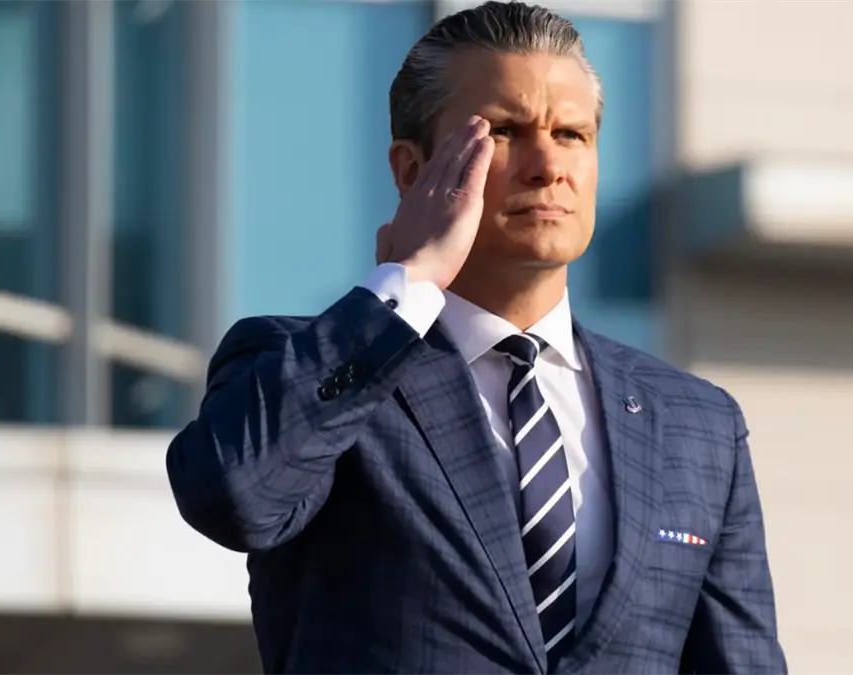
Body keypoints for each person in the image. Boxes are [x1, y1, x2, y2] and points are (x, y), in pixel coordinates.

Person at [166, 2, 786, 673]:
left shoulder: (698, 424)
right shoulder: (313, 364)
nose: (548, 165)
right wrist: (408, 280)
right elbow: (234, 499)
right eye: (506, 132)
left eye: (572, 134)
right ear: (411, 171)